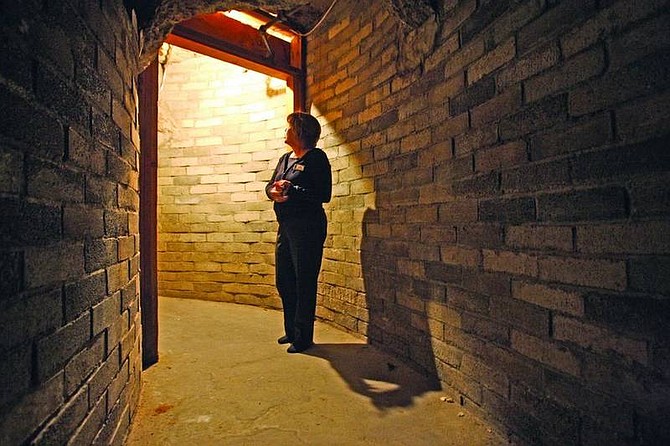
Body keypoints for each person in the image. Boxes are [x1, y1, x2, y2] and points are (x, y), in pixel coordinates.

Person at [265, 112, 332, 353]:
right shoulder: (285, 159)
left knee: (304, 281)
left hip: (308, 228)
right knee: (284, 280)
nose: (286, 132)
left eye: (289, 128)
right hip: (286, 227)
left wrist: (293, 188)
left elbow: (324, 195)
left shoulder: (317, 158)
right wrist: (272, 192)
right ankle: (292, 331)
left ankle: (303, 338)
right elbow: (269, 185)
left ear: (300, 132)